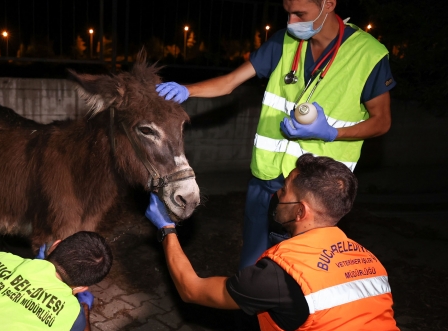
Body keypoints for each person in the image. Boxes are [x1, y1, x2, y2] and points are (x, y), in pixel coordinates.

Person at [156, 0, 395, 269]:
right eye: (288, 13)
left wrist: (331, 133)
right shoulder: (284, 42)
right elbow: (230, 82)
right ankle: (250, 309)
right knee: (254, 263)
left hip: (318, 188)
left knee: (299, 268)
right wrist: (188, 90)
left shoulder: (368, 54)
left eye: (300, 14)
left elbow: (382, 121)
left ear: (328, 4)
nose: (291, 22)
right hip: (267, 180)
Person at [145, 154, 401, 331]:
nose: (277, 193)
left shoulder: (283, 273)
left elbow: (192, 289)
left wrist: (166, 229)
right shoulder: (369, 260)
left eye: (285, 189)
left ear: (300, 211)